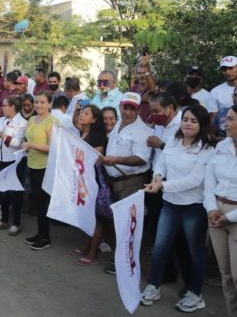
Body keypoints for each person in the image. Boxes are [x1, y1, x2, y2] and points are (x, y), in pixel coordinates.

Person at [140, 105, 215, 312]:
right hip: (170, 204)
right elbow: (162, 163)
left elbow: (195, 180)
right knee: (160, 247)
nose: (188, 124)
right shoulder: (173, 140)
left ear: (202, 125)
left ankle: (195, 293)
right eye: (185, 119)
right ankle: (154, 286)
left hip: (193, 207)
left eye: (193, 121)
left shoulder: (207, 149)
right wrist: (157, 176)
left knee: (195, 251)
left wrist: (163, 185)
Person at [203, 103, 237, 316]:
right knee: (225, 273)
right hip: (216, 213)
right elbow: (209, 180)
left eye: (231, 118)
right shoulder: (222, 146)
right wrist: (210, 208)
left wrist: (231, 217)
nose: (225, 122)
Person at [101, 92, 154, 274]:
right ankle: (120, 257)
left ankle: (125, 262)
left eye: (132, 108)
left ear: (138, 109)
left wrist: (116, 160)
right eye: (125, 107)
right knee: (118, 222)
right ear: (120, 107)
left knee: (127, 223)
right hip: (114, 181)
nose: (128, 112)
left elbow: (142, 159)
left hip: (130, 182)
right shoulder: (118, 123)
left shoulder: (143, 132)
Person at [70, 104, 108, 266]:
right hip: (82, 179)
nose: (82, 115)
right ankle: (86, 246)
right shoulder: (82, 131)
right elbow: (74, 120)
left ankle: (93, 253)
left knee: (96, 218)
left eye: (86, 113)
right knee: (87, 213)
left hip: (94, 181)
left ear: (94, 119)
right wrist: (78, 108)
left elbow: (96, 158)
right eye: (82, 113)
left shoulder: (98, 136)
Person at [0, 96, 28, 236]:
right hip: (0, 158)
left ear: (12, 107)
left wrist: (1, 133)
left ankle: (16, 223)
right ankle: (4, 218)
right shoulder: (2, 120)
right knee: (2, 191)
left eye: (4, 105)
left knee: (15, 192)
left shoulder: (22, 123)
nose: (2, 108)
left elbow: (16, 143)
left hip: (14, 161)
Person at [21, 91, 55, 250]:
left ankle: (46, 237)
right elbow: (29, 138)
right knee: (37, 201)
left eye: (42, 102)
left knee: (43, 203)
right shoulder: (33, 118)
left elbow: (52, 147)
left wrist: (31, 146)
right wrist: (26, 146)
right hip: (32, 163)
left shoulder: (52, 121)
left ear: (50, 104)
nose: (38, 105)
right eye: (37, 102)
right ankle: (40, 233)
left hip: (45, 167)